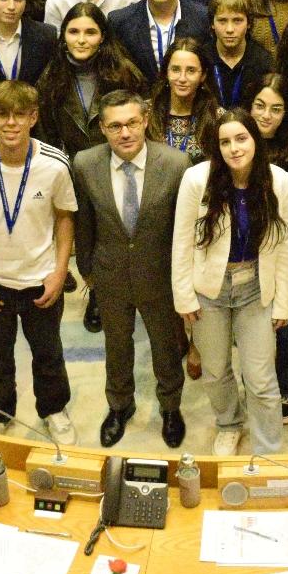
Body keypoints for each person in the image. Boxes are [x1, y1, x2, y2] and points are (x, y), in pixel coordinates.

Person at [71, 91, 192, 448]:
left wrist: (180, 278)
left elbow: (180, 229)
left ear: (145, 121)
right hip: (109, 275)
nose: (124, 133)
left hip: (160, 276)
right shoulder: (84, 163)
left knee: (166, 347)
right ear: (104, 129)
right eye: (115, 126)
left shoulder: (176, 164)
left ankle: (171, 408)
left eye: (131, 123)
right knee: (117, 347)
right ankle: (120, 406)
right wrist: (88, 270)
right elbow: (84, 222)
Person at [0, 80, 78, 441]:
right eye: (2, 115)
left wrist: (60, 272)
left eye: (20, 115)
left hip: (40, 278)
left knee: (48, 354)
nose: (11, 123)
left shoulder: (55, 165)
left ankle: (54, 409)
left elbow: (64, 217)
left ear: (33, 117)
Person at [173, 108, 288, 455]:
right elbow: (182, 241)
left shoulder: (279, 180)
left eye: (241, 138)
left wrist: (284, 301)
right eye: (224, 141)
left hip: (255, 289)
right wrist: (184, 296)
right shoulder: (197, 180)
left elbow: (284, 244)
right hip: (209, 290)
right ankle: (229, 423)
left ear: (255, 139)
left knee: (260, 378)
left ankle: (268, 447)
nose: (234, 148)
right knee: (215, 370)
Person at [37, 1, 147, 156]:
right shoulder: (50, 78)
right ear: (63, 35)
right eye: (74, 32)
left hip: (119, 160)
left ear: (102, 37)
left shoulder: (125, 73)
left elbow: (142, 123)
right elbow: (46, 135)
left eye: (90, 32)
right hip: (72, 166)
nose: (81, 40)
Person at [203, 0, 275, 111]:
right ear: (212, 24)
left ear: (249, 23)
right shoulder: (201, 59)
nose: (229, 29)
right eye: (222, 21)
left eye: (237, 21)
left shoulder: (263, 62)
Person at [148, 39, 221, 157]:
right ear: (166, 73)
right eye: (175, 69)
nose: (182, 78)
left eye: (191, 70)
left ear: (203, 75)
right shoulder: (145, 112)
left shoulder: (218, 117)